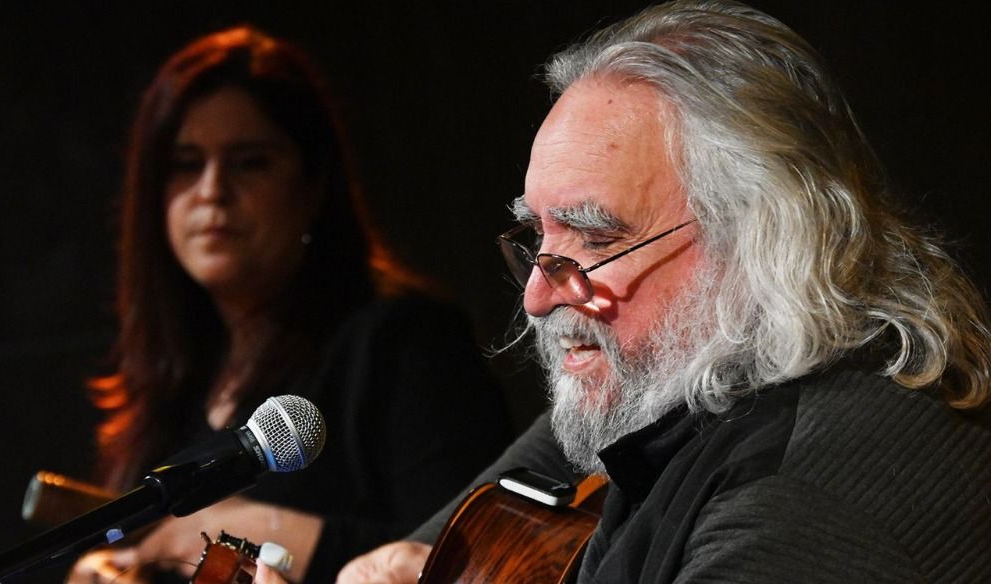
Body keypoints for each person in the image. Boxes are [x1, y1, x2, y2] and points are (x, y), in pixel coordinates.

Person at [297, 1, 991, 582]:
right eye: (537, 237)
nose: (538, 297)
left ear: (765, 239)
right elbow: (455, 530)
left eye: (596, 241)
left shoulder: (797, 510)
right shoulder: (681, 382)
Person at [66, 26, 512, 584]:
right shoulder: (171, 374)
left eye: (249, 162)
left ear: (312, 186)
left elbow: (470, 556)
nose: (212, 191)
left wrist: (247, 526)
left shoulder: (403, 339)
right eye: (184, 164)